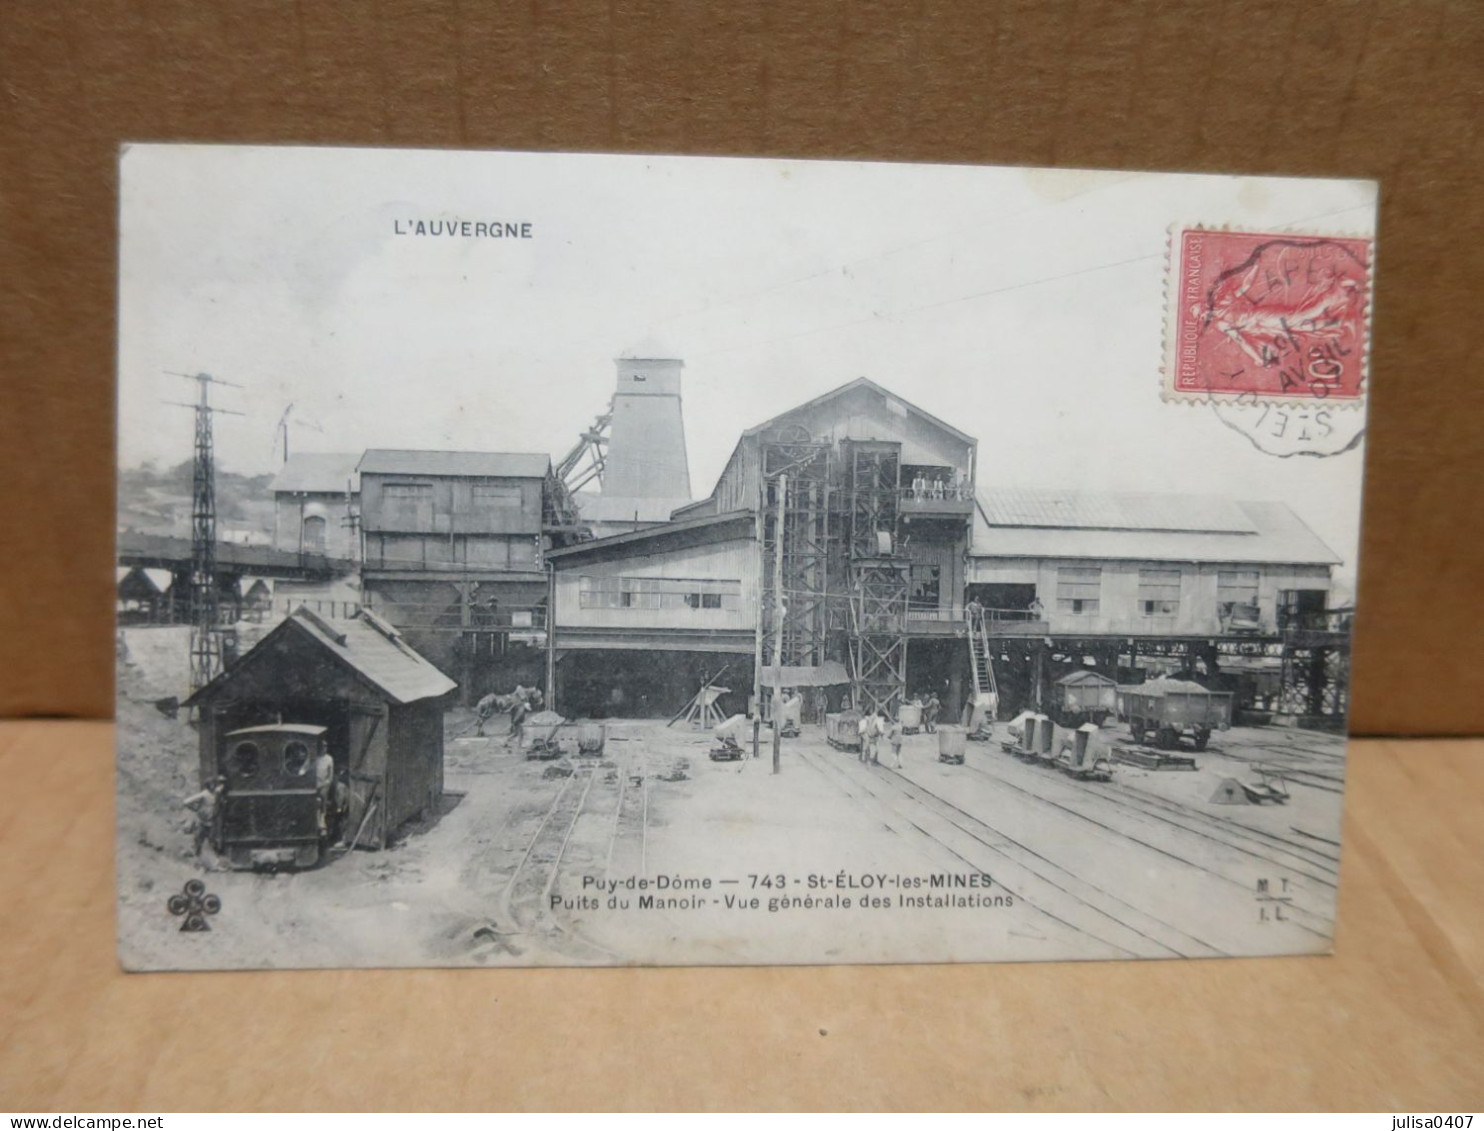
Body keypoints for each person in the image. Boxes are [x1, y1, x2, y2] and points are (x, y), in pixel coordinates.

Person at [182, 776, 226, 857]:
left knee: (211, 841)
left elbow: (220, 788)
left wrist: (222, 782)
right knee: (198, 841)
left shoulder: (215, 793)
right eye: (211, 785)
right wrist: (195, 808)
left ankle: (211, 859)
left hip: (210, 821)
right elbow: (186, 802)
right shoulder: (204, 794)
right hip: (201, 821)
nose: (213, 786)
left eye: (214, 784)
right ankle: (197, 858)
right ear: (208, 785)